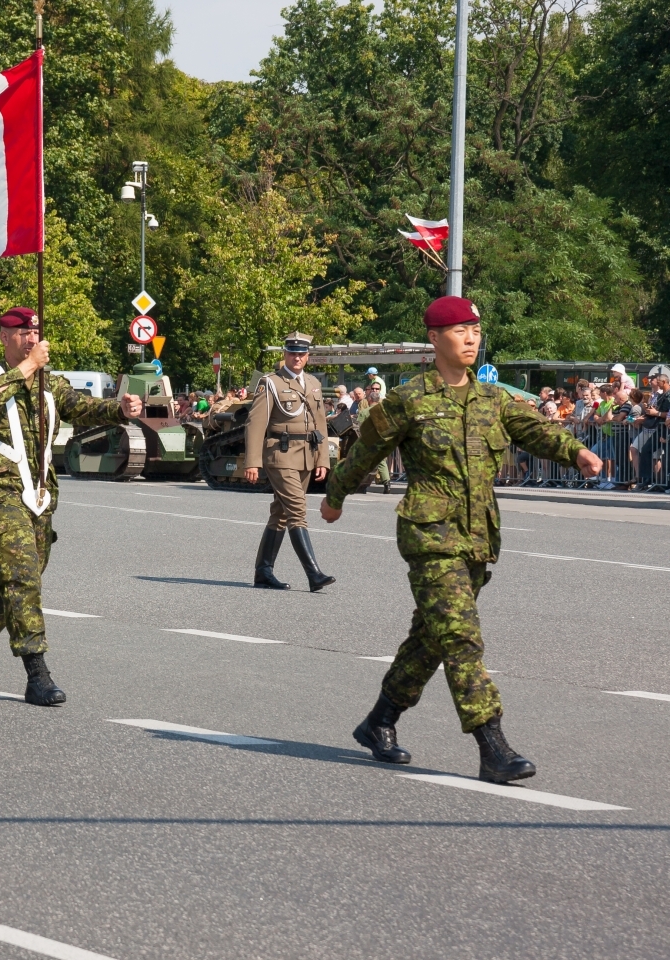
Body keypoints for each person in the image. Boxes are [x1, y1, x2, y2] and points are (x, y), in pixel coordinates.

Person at [324, 296, 602, 783]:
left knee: (432, 637)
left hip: (478, 537)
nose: (471, 338)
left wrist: (577, 451)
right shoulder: (408, 399)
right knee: (461, 637)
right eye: (459, 330)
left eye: (475, 329)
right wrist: (336, 494)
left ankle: (379, 721)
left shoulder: (493, 400)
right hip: (429, 535)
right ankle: (492, 746)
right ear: (434, 339)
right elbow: (365, 451)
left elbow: (537, 432)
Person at [0, 307, 142, 705]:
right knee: (22, 579)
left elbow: (81, 407)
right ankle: (37, 674)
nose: (32, 339)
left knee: (12, 584)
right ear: (4, 337)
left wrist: (120, 409)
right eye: (23, 334)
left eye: (35, 333)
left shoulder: (49, 382)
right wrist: (27, 368)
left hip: (38, 496)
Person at [242, 332, 334, 591]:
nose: (297, 358)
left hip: (306, 454)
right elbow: (255, 422)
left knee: (280, 514)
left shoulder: (314, 383)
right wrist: (252, 461)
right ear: (285, 354)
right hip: (279, 453)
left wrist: (322, 459)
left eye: (302, 353)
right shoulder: (270, 383)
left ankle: (263, 572)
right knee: (297, 510)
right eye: (292, 353)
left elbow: (320, 425)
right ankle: (314, 574)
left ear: (308, 356)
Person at [355, 381, 392, 493]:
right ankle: (386, 483)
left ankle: (362, 483)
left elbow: (359, 427)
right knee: (381, 461)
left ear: (370, 400)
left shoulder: (365, 412)